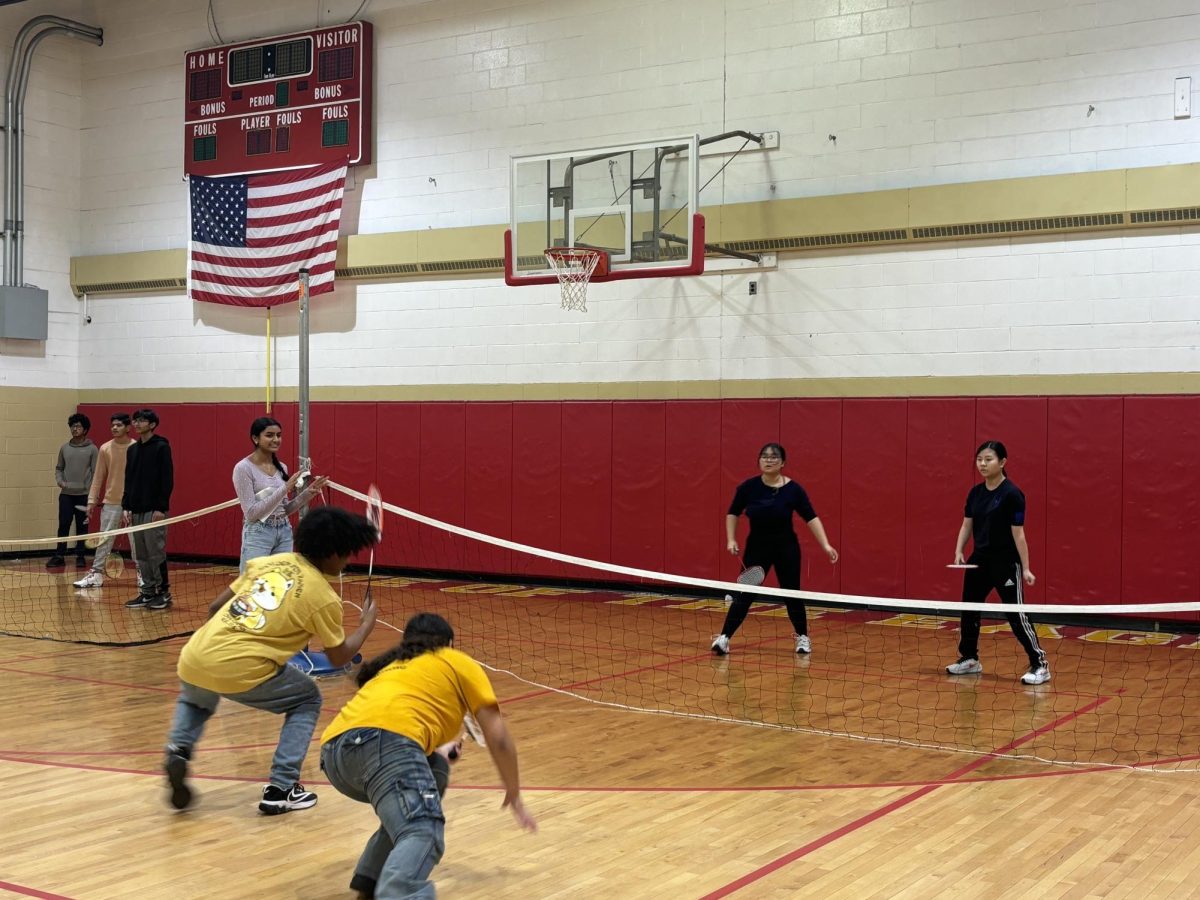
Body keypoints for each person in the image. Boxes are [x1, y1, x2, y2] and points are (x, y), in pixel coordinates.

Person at [163, 505, 380, 815]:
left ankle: (178, 749)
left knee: (196, 698)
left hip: (198, 653)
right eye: (347, 554)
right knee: (306, 699)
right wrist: (366, 626)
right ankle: (282, 787)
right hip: (244, 667)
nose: (348, 562)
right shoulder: (324, 598)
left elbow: (214, 608)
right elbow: (339, 656)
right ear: (333, 553)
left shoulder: (268, 562)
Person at [321, 612, 537, 899]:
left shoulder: (394, 666)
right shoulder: (457, 661)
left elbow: (398, 720)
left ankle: (369, 885)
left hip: (335, 756)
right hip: (387, 745)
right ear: (449, 643)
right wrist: (514, 791)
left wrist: (439, 750)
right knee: (422, 829)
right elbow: (499, 740)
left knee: (432, 772)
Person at [712, 442, 838, 656]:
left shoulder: (794, 490)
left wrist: (825, 544)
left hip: (786, 548)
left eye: (774, 457)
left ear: (783, 463)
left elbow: (810, 517)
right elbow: (733, 512)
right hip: (757, 549)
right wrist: (731, 539)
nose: (768, 460)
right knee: (745, 593)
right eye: (764, 456)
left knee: (791, 594)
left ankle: (803, 638)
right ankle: (724, 638)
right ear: (759, 460)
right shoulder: (748, 488)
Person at [945, 440, 1049, 685]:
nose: (982, 463)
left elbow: (1019, 534)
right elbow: (967, 524)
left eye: (988, 459)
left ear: (1002, 462)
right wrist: (959, 550)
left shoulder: (1013, 494)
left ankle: (1040, 664)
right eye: (979, 459)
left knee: (1016, 615)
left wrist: (1026, 568)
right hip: (979, 561)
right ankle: (970, 658)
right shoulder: (975, 493)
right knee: (969, 609)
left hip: (1005, 562)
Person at [232, 416, 328, 573]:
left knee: (281, 587)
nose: (276, 439)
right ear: (255, 438)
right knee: (252, 588)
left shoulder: (281, 467)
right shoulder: (243, 469)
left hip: (284, 531)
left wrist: (307, 494)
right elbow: (251, 514)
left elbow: (285, 510)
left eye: (278, 435)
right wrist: (285, 487)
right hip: (258, 533)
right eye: (269, 435)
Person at [74, 413, 137, 589]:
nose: (114, 428)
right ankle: (96, 574)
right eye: (112, 425)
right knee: (104, 540)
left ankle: (142, 575)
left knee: (136, 541)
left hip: (133, 504)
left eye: (118, 425)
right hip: (111, 502)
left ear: (128, 427)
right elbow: (98, 477)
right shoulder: (105, 449)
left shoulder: (136, 447)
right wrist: (91, 501)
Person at [122, 408, 174, 610]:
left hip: (154, 511)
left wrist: (161, 507)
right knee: (141, 554)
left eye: (142, 421)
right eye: (135, 420)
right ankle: (147, 592)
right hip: (136, 510)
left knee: (155, 552)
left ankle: (163, 592)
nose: (136, 424)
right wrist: (126, 506)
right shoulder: (132, 450)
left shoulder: (161, 447)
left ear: (152, 424)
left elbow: (167, 479)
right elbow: (129, 480)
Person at [48, 413, 97, 569]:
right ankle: (59, 555)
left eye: (78, 426)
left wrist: (91, 493)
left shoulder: (92, 449)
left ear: (85, 429)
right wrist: (60, 481)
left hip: (84, 495)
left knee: (82, 527)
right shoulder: (64, 448)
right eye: (72, 426)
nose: (74, 429)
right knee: (63, 524)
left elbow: (96, 472)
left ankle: (80, 556)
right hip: (66, 495)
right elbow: (59, 468)